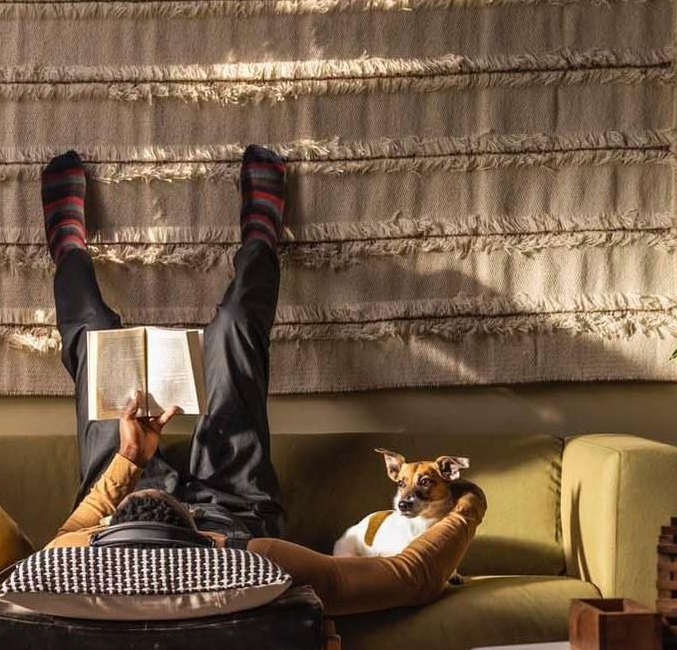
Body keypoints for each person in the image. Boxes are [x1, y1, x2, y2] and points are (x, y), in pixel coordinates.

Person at [40, 146, 485, 618]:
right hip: (231, 507)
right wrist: (468, 502)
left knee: (95, 340)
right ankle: (259, 237)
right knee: (233, 329)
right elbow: (410, 578)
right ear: (197, 537)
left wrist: (130, 459)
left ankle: (68, 246)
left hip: (118, 511)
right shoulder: (255, 564)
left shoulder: (74, 565)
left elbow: (59, 542)